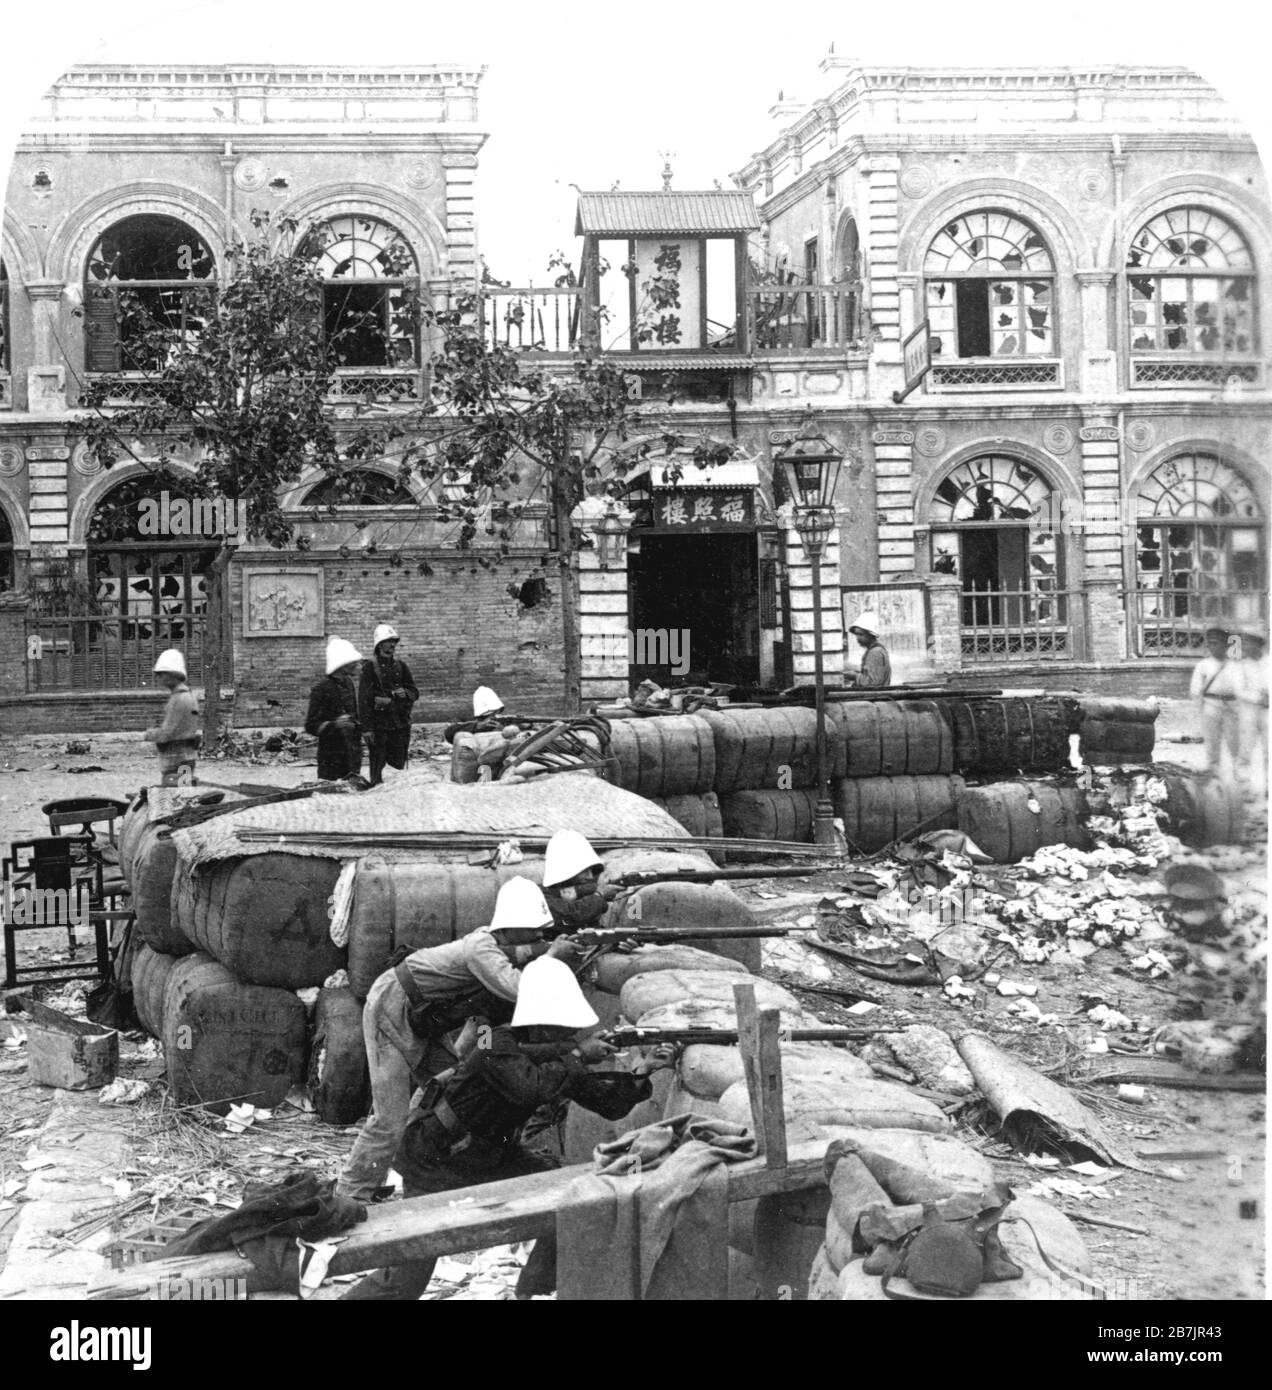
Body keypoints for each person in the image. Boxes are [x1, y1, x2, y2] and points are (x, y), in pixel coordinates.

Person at [340, 955, 657, 1301]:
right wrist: (577, 1056)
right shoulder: (493, 1041)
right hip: (437, 1157)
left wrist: (642, 1072)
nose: (569, 1035)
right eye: (561, 1029)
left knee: (569, 1199)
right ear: (538, 1024)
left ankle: (532, 1292)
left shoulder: (555, 1059)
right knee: (408, 1273)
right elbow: (528, 1086)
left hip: (489, 1155)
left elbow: (607, 1104)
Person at [336, 876, 576, 1205]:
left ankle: (418, 1166)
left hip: (417, 1015)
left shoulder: (490, 945)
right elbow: (522, 990)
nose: (539, 935)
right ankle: (351, 1194)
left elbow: (519, 954)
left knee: (450, 1087)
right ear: (512, 925)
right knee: (389, 1116)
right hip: (391, 1005)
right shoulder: (481, 949)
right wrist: (553, 958)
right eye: (533, 928)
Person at [359, 624, 419, 787]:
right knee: (378, 768)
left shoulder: (401, 666)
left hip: (400, 724)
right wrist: (367, 728)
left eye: (394, 642)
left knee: (398, 766)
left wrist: (405, 693)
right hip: (380, 726)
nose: (392, 645)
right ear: (379, 644)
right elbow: (364, 700)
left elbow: (415, 692)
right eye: (388, 641)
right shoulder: (370, 667)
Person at [305, 638, 364, 781]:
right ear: (342, 664)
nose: (359, 666)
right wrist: (334, 725)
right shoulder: (321, 689)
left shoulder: (348, 684)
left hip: (351, 755)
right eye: (354, 662)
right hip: (331, 758)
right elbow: (311, 725)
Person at [142, 649, 202, 786]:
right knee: (183, 792)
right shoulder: (189, 696)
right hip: (187, 756)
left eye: (161, 674)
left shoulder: (178, 700)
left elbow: (166, 733)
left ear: (173, 675)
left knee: (173, 797)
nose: (159, 678)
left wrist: (149, 734)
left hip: (175, 759)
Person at [1189, 626, 1240, 779]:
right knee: (1212, 742)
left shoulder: (1235, 666)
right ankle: (1213, 774)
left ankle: (1238, 775)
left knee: (1234, 742)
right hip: (1211, 705)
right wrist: (1200, 708)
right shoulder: (1203, 665)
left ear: (1226, 645)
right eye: (1210, 643)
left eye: (1217, 643)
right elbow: (1195, 690)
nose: (1213, 647)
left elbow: (1241, 689)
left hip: (1232, 707)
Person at [541, 828, 613, 932]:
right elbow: (572, 914)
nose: (589, 876)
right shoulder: (540, 895)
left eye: (591, 870)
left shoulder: (583, 888)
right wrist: (600, 894)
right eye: (584, 871)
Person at [1235, 626, 1268, 796]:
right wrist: (1257, 698)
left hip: (1268, 712)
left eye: (1249, 643)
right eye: (1244, 642)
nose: (1245, 647)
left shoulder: (1269, 663)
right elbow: (1239, 690)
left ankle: (1269, 786)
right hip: (1248, 712)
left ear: (1258, 644)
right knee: (1246, 748)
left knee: (1268, 749)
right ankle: (1244, 787)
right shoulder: (1242, 666)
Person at [443, 685, 508, 744]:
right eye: (494, 713)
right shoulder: (471, 723)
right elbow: (449, 733)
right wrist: (477, 726)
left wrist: (504, 730)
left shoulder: (502, 721)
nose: (494, 716)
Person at [847, 612, 891, 690]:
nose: (858, 638)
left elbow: (873, 683)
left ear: (870, 634)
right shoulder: (874, 650)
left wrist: (855, 676)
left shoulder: (875, 653)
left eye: (861, 634)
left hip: (876, 697)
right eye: (856, 634)